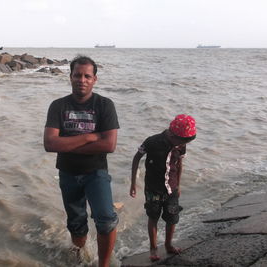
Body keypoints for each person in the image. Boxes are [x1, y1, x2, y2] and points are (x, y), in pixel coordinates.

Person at [44, 55, 119, 267]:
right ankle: (79, 258)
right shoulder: (58, 106)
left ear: (95, 79)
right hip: (67, 174)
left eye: (87, 76)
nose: (82, 79)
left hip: (96, 173)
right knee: (76, 224)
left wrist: (67, 143)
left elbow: (109, 145)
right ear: (70, 77)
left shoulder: (105, 105)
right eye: (77, 75)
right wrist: (88, 137)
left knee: (105, 220)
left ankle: (103, 265)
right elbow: (50, 144)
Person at [129, 114, 196, 262]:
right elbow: (136, 159)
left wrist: (178, 185)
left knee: (172, 217)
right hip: (153, 188)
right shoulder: (152, 141)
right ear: (172, 134)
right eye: (181, 141)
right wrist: (133, 183)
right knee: (153, 217)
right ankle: (153, 249)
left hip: (171, 188)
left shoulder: (181, 145)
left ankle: (168, 244)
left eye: (185, 142)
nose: (182, 145)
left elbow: (179, 165)